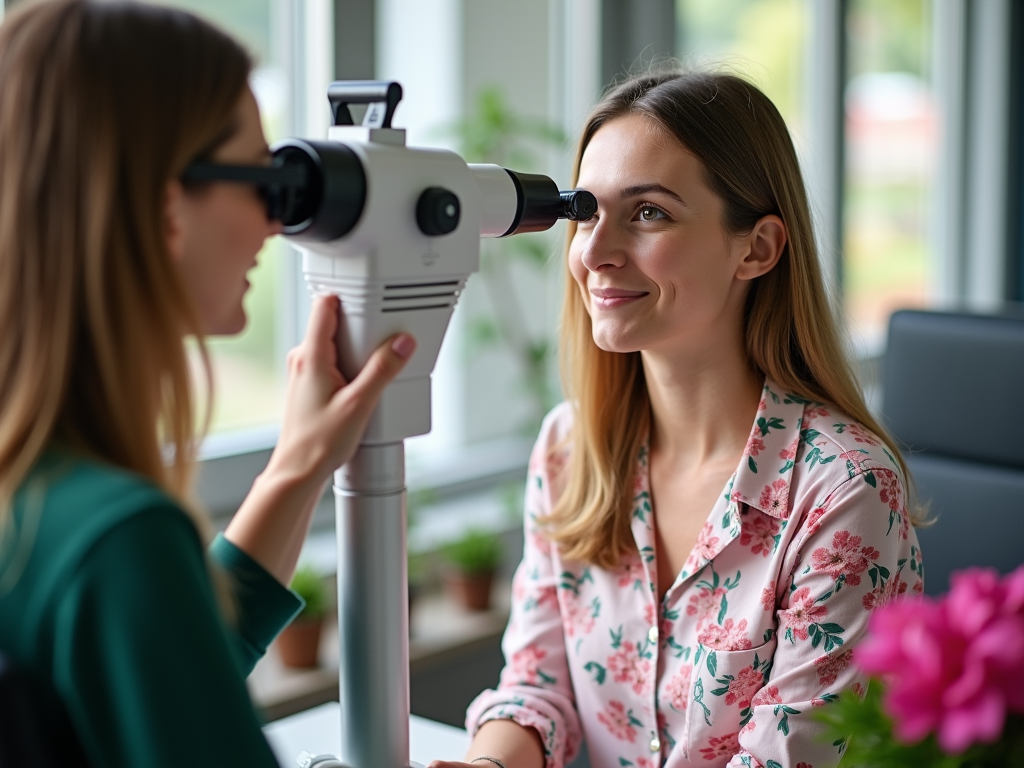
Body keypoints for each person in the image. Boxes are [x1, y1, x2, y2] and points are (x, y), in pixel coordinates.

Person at [430, 71, 924, 768]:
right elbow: (539, 687)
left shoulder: (844, 490)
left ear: (756, 249)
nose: (595, 252)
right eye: (585, 213)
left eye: (649, 213)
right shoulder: (569, 449)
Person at [0, 1, 416, 766]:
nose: (275, 222)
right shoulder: (117, 538)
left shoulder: (39, 499)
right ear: (167, 208)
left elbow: (153, 684)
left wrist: (299, 465)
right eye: (264, 180)